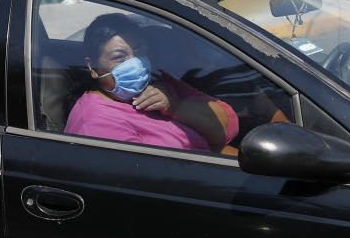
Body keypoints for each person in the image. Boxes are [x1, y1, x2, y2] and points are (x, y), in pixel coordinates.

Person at [64, 13, 238, 153]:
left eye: (139, 50)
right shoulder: (96, 122)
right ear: (92, 67)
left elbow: (228, 125)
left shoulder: (158, 82)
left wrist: (172, 106)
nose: (136, 63)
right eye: (119, 57)